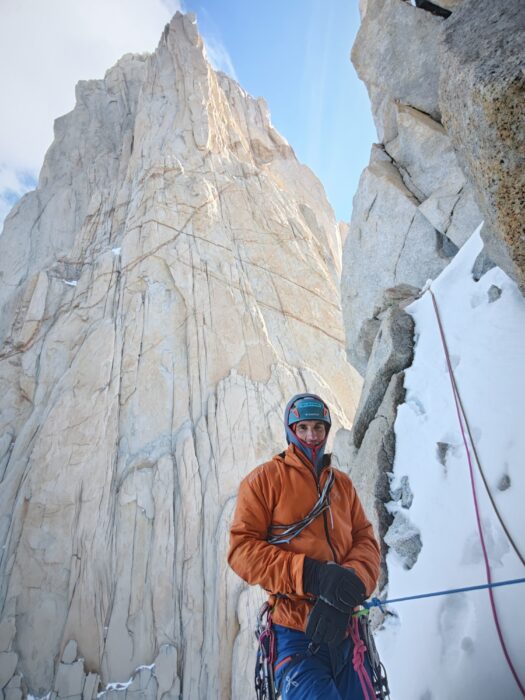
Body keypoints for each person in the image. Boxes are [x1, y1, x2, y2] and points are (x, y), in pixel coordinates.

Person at [228, 393, 381, 699]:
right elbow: (242, 551)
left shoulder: (342, 485)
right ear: (291, 430)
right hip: (296, 633)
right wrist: (312, 575)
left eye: (319, 428)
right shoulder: (263, 481)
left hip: (346, 630)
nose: (312, 436)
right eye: (303, 428)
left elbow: (365, 541)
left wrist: (350, 581)